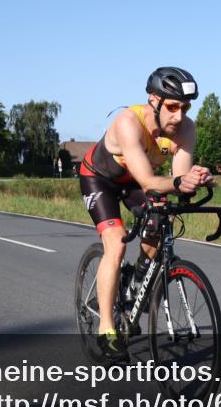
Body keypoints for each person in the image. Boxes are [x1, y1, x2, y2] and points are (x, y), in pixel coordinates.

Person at [78, 67, 212, 362]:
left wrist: (196, 180)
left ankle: (139, 279)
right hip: (100, 179)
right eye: (173, 106)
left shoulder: (186, 129)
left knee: (164, 217)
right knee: (116, 243)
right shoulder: (128, 122)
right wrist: (179, 183)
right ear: (154, 99)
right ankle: (107, 329)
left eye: (185, 107)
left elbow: (179, 181)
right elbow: (152, 182)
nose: (179, 115)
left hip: (133, 182)